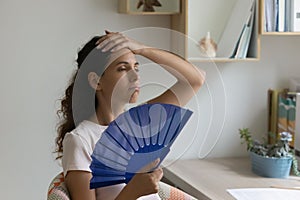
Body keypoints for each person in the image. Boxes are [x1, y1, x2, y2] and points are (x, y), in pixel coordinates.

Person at [55, 30, 205, 200]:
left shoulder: (141, 120)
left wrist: (142, 48)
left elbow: (195, 79)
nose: (135, 77)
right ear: (96, 81)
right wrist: (133, 191)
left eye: (136, 68)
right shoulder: (80, 140)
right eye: (123, 69)